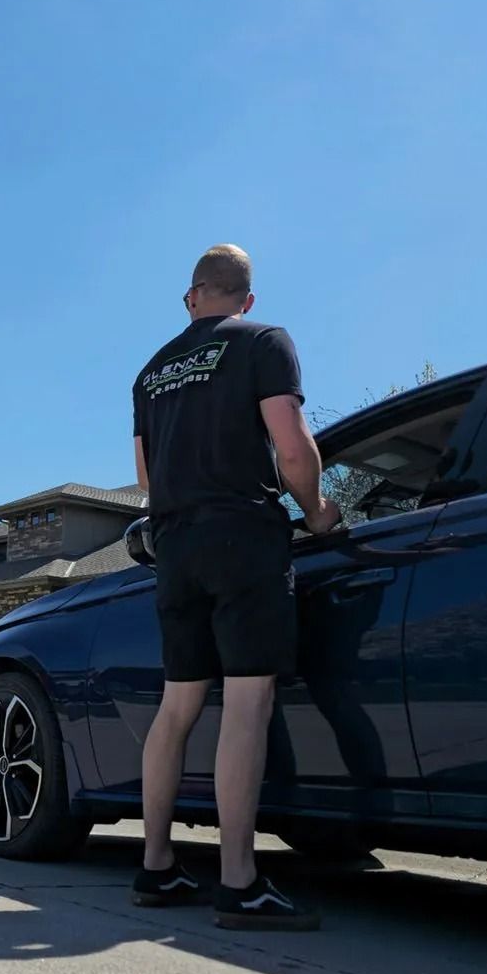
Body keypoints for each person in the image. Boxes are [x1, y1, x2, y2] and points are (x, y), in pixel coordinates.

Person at [130, 244, 340, 929]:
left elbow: (146, 482)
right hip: (243, 536)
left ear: (193, 296)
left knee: (177, 708)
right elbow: (291, 445)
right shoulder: (263, 341)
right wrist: (316, 513)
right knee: (247, 704)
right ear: (247, 298)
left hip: (176, 544)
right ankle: (240, 881)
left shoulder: (151, 372)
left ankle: (156, 866)